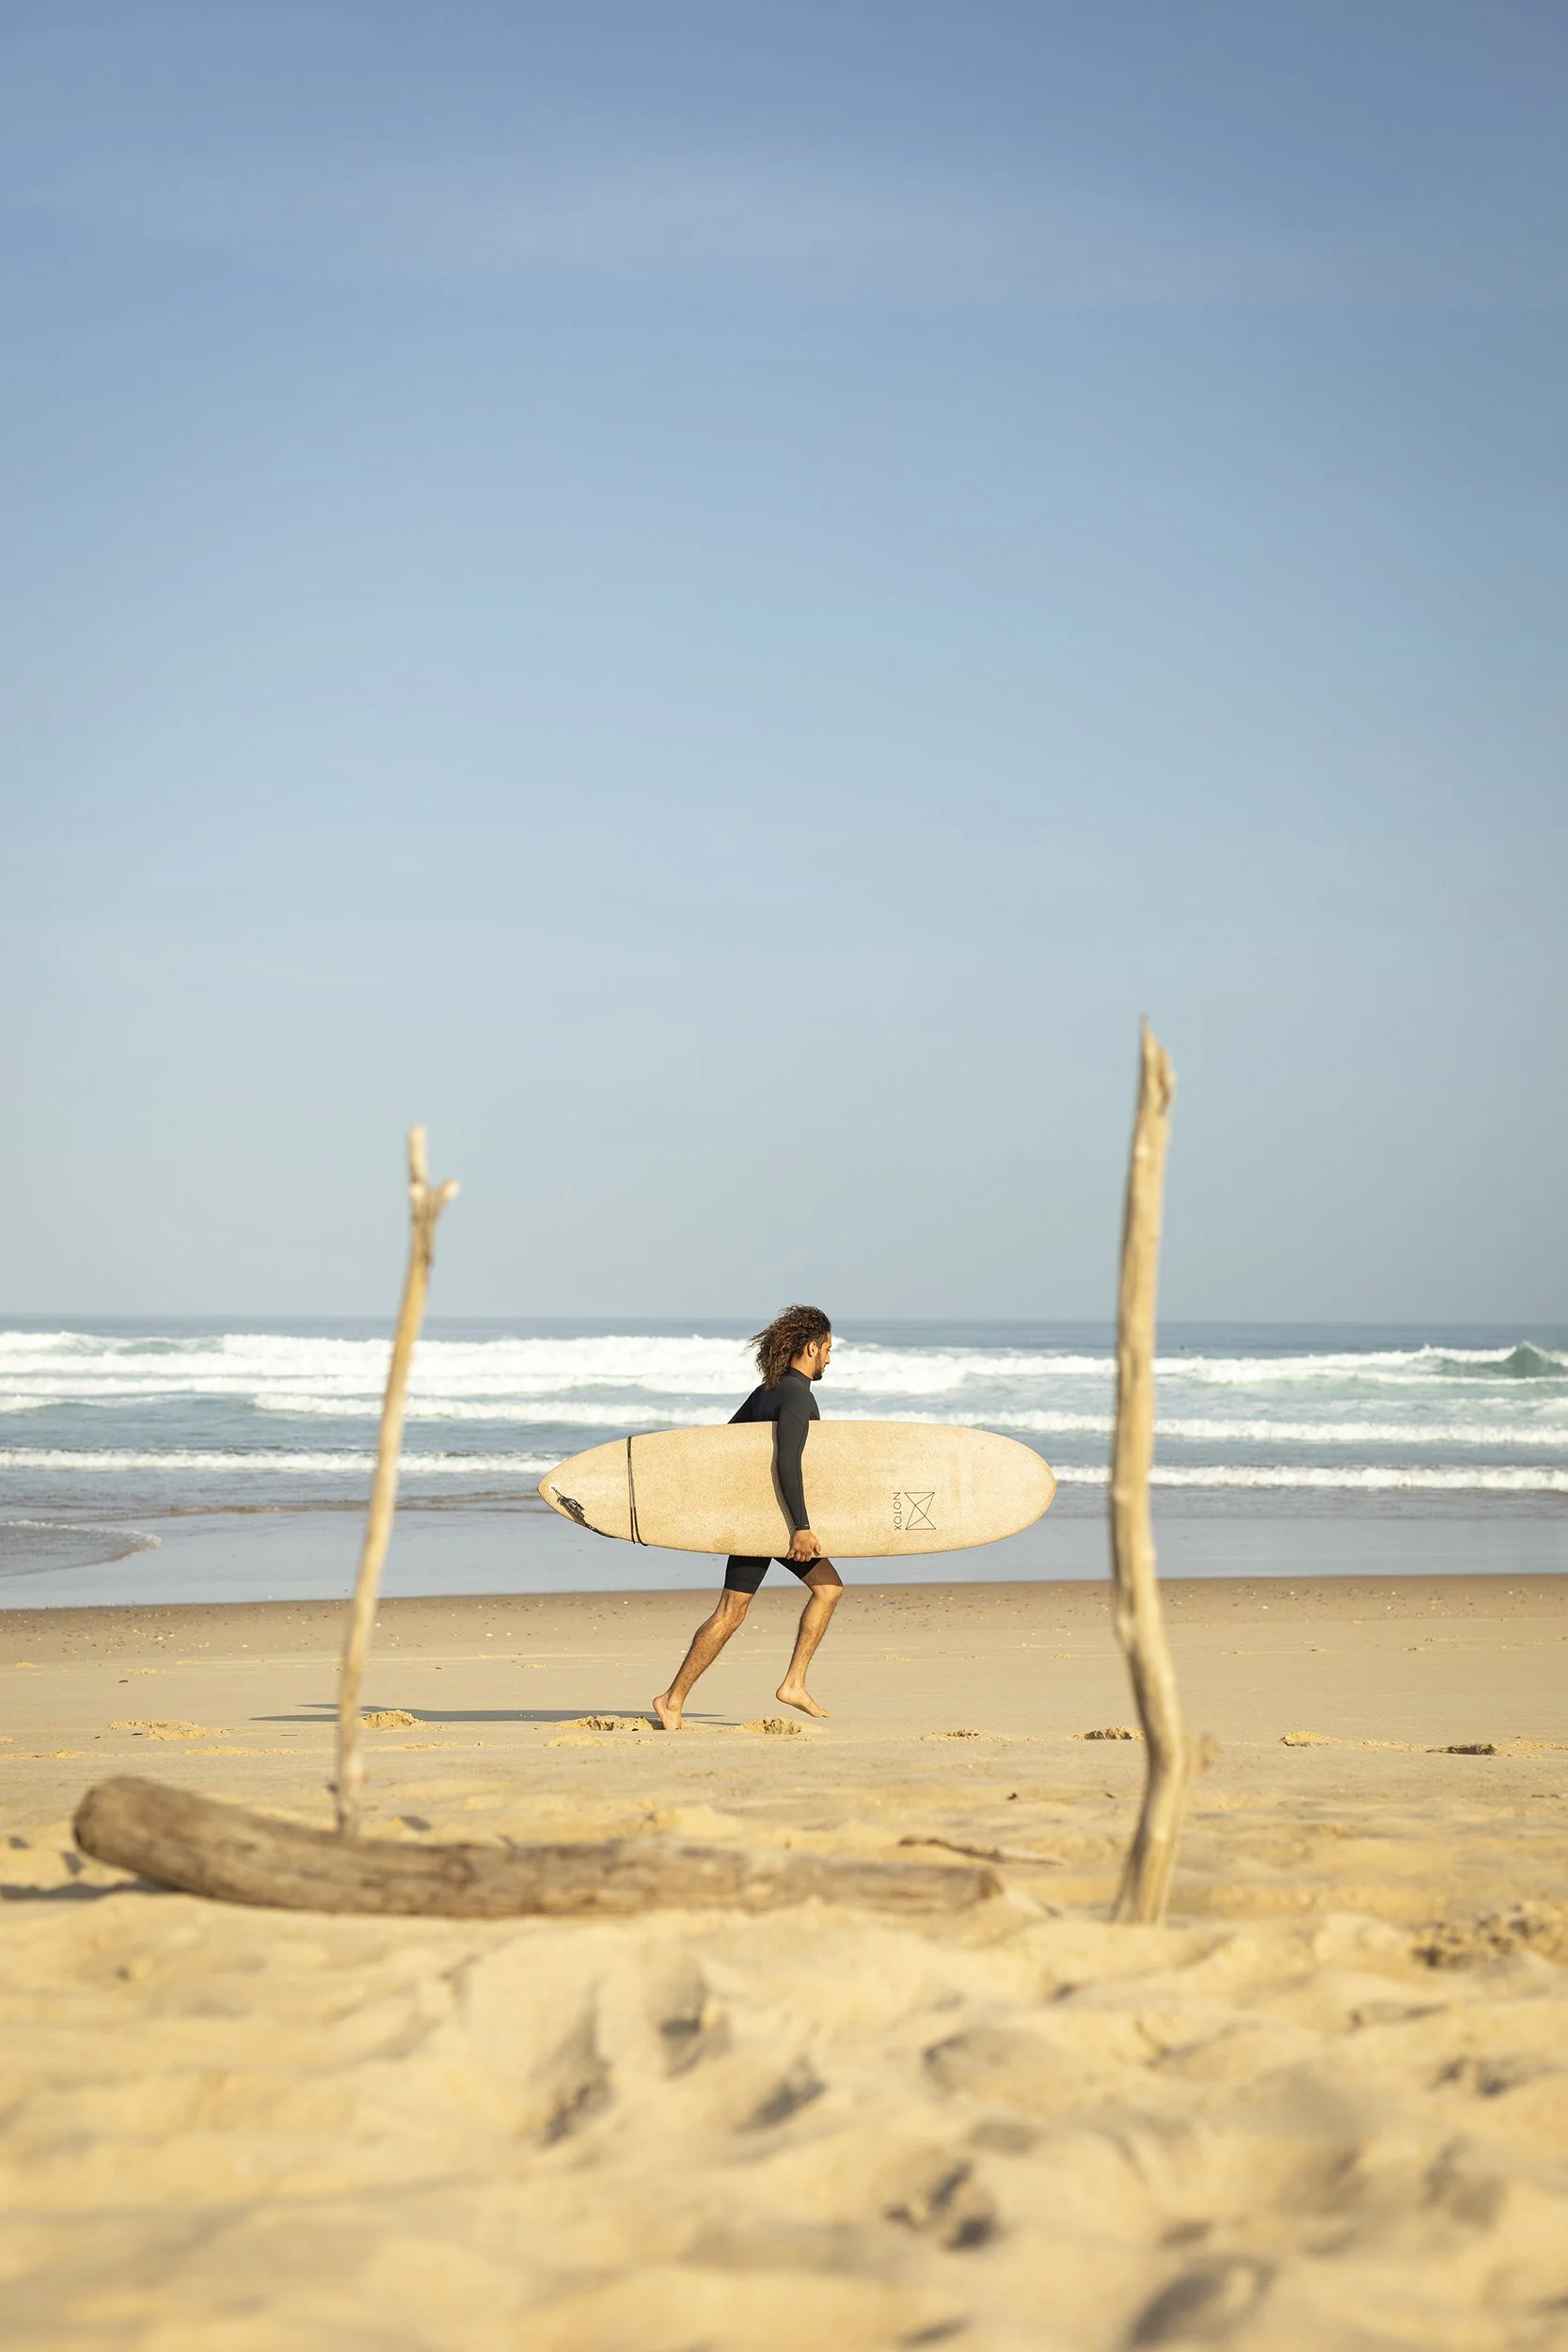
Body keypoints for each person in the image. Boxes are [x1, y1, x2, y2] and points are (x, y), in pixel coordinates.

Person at [653, 1305, 842, 1730]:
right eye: (828, 1349)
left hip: (757, 1519)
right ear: (811, 1347)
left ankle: (792, 1683)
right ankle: (672, 1698)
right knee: (733, 1612)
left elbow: (726, 1445)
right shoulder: (797, 1396)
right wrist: (801, 1527)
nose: (829, 1358)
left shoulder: (766, 1391)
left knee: (823, 1590)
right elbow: (787, 1464)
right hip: (773, 1525)